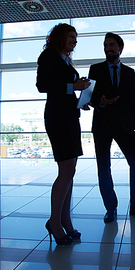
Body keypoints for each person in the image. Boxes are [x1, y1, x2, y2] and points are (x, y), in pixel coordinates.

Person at [89, 32, 135, 223]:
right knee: (103, 166)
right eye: (105, 45)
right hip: (102, 125)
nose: (108, 48)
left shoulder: (129, 72)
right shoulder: (95, 69)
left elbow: (134, 101)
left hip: (126, 126)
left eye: (111, 45)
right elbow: (90, 97)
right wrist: (100, 102)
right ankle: (110, 208)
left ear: (120, 48)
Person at [36, 23, 90, 245]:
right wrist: (73, 87)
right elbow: (42, 85)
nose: (74, 41)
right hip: (58, 118)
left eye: (76, 37)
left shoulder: (66, 60)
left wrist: (80, 100)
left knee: (70, 170)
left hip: (69, 116)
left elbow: (65, 88)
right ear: (59, 37)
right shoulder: (48, 55)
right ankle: (54, 223)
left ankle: (65, 220)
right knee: (66, 170)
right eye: (71, 36)